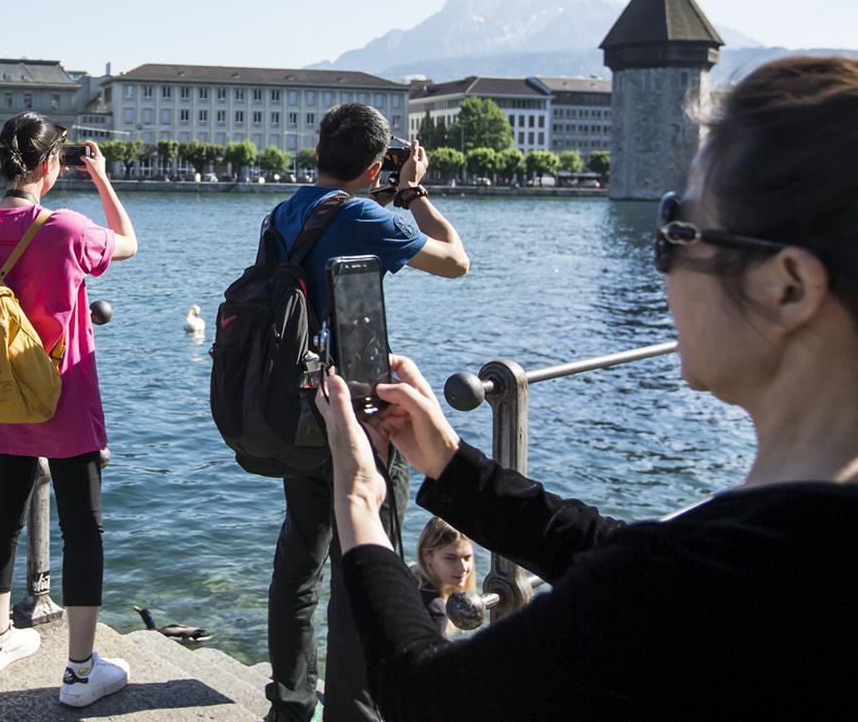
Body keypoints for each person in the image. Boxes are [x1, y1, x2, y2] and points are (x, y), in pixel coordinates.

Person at [318, 56, 858, 720]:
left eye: (677, 230)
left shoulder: (705, 584)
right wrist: (452, 464)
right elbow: (626, 556)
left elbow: (425, 696)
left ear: (789, 288)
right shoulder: (762, 558)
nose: (661, 265)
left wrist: (359, 506)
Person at [263, 103, 470, 722]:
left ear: (320, 152)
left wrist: (385, 192)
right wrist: (415, 194)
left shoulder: (287, 211)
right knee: (367, 562)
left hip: (299, 407)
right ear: (377, 164)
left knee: (300, 560)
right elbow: (456, 260)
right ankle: (355, 712)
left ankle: (291, 704)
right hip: (362, 415)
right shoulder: (365, 215)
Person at [0, 112, 137, 708]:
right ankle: (82, 670)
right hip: (63, 390)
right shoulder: (66, 228)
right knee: (83, 524)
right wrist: (103, 181)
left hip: (4, 388)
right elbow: (129, 242)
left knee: (4, 510)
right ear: (49, 166)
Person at [413, 517, 476, 636]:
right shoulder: (435, 611)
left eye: (467, 558)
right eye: (450, 558)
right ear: (427, 555)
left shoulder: (410, 574)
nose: (462, 567)